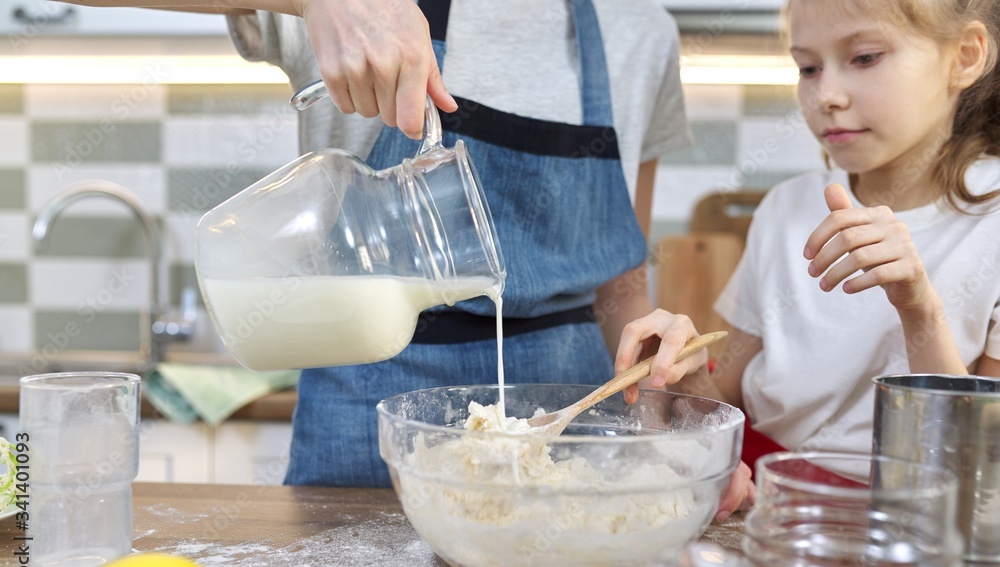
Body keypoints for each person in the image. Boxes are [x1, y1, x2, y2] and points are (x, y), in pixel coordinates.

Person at [66, 0, 700, 486]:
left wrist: (674, 429)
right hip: (364, 439)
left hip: (572, 448)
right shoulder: (363, 11)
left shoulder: (639, 30)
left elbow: (620, 286)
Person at [617, 0, 1000, 519]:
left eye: (864, 57)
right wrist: (681, 373)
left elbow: (978, 473)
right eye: (808, 67)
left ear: (965, 56)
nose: (826, 96)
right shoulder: (785, 209)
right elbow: (716, 409)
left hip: (914, 530)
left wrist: (920, 308)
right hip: (766, 517)